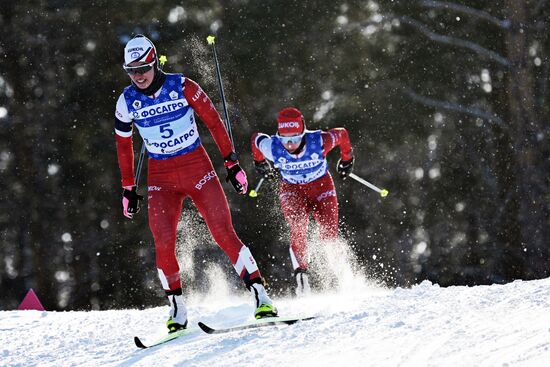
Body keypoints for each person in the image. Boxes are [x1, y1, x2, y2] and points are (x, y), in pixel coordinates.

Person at [114, 35, 277, 333]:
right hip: (161, 178)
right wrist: (128, 187)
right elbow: (123, 145)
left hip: (196, 167)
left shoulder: (183, 86)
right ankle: (176, 309)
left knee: (223, 232)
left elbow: (214, 122)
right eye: (132, 71)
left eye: (144, 68)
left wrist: (232, 163)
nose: (139, 76)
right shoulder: (126, 101)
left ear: (154, 62)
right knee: (162, 242)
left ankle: (260, 295)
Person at [250, 107, 354, 296]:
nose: (289, 144)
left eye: (295, 138)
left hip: (321, 187)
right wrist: (259, 162)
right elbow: (256, 139)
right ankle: (302, 279)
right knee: (298, 227)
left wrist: (347, 159)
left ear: (303, 133)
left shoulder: (319, 142)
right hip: (292, 190)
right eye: (285, 139)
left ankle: (344, 279)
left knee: (328, 234)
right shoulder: (273, 147)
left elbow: (341, 134)